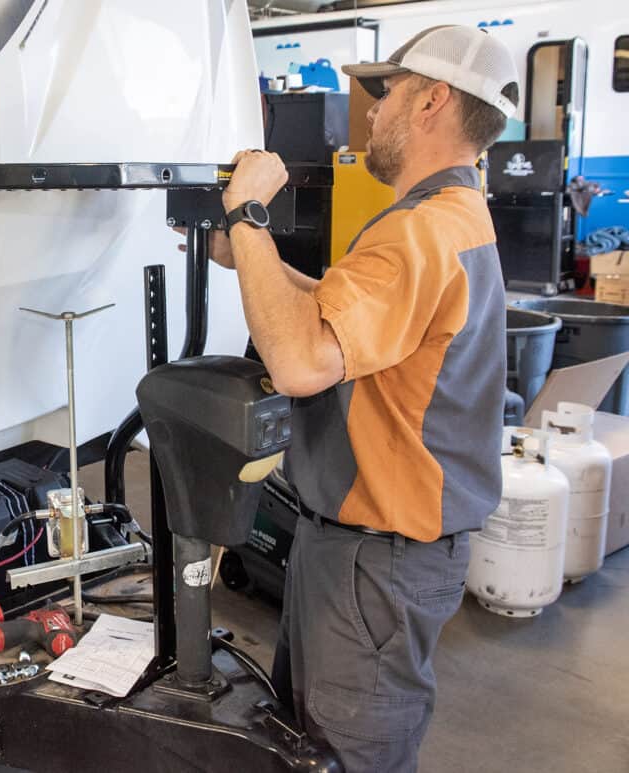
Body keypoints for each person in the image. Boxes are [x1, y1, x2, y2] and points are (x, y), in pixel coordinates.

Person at [205, 25, 519, 772]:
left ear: (433, 102)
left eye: (387, 94)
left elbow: (299, 361)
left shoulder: (418, 234)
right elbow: (346, 321)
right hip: (372, 553)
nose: (370, 114)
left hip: (376, 561)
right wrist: (258, 259)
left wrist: (249, 218)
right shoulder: (453, 221)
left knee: (346, 754)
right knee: (313, 744)